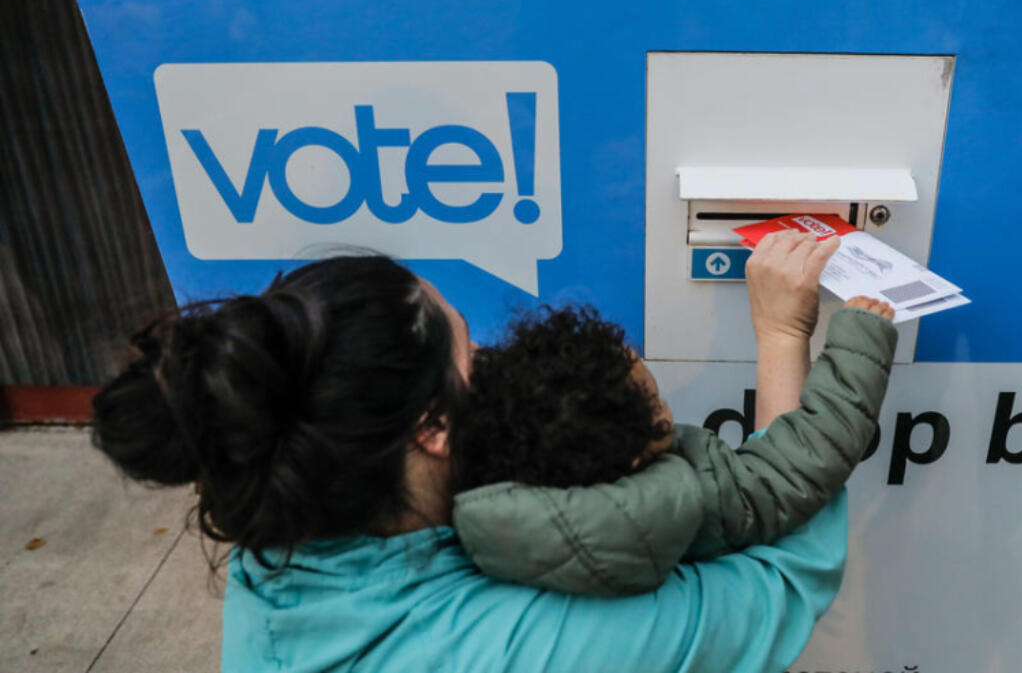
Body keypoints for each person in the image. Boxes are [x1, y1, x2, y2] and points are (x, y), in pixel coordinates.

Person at [90, 233, 876, 673]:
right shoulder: (539, 649)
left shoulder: (283, 540)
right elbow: (779, 574)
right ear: (432, 424)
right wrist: (782, 336)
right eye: (471, 347)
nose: (498, 357)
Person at [449, 275, 897, 595]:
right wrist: (860, 335)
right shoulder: (695, 499)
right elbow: (805, 457)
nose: (670, 416)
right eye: (659, 406)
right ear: (637, 454)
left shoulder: (489, 497)